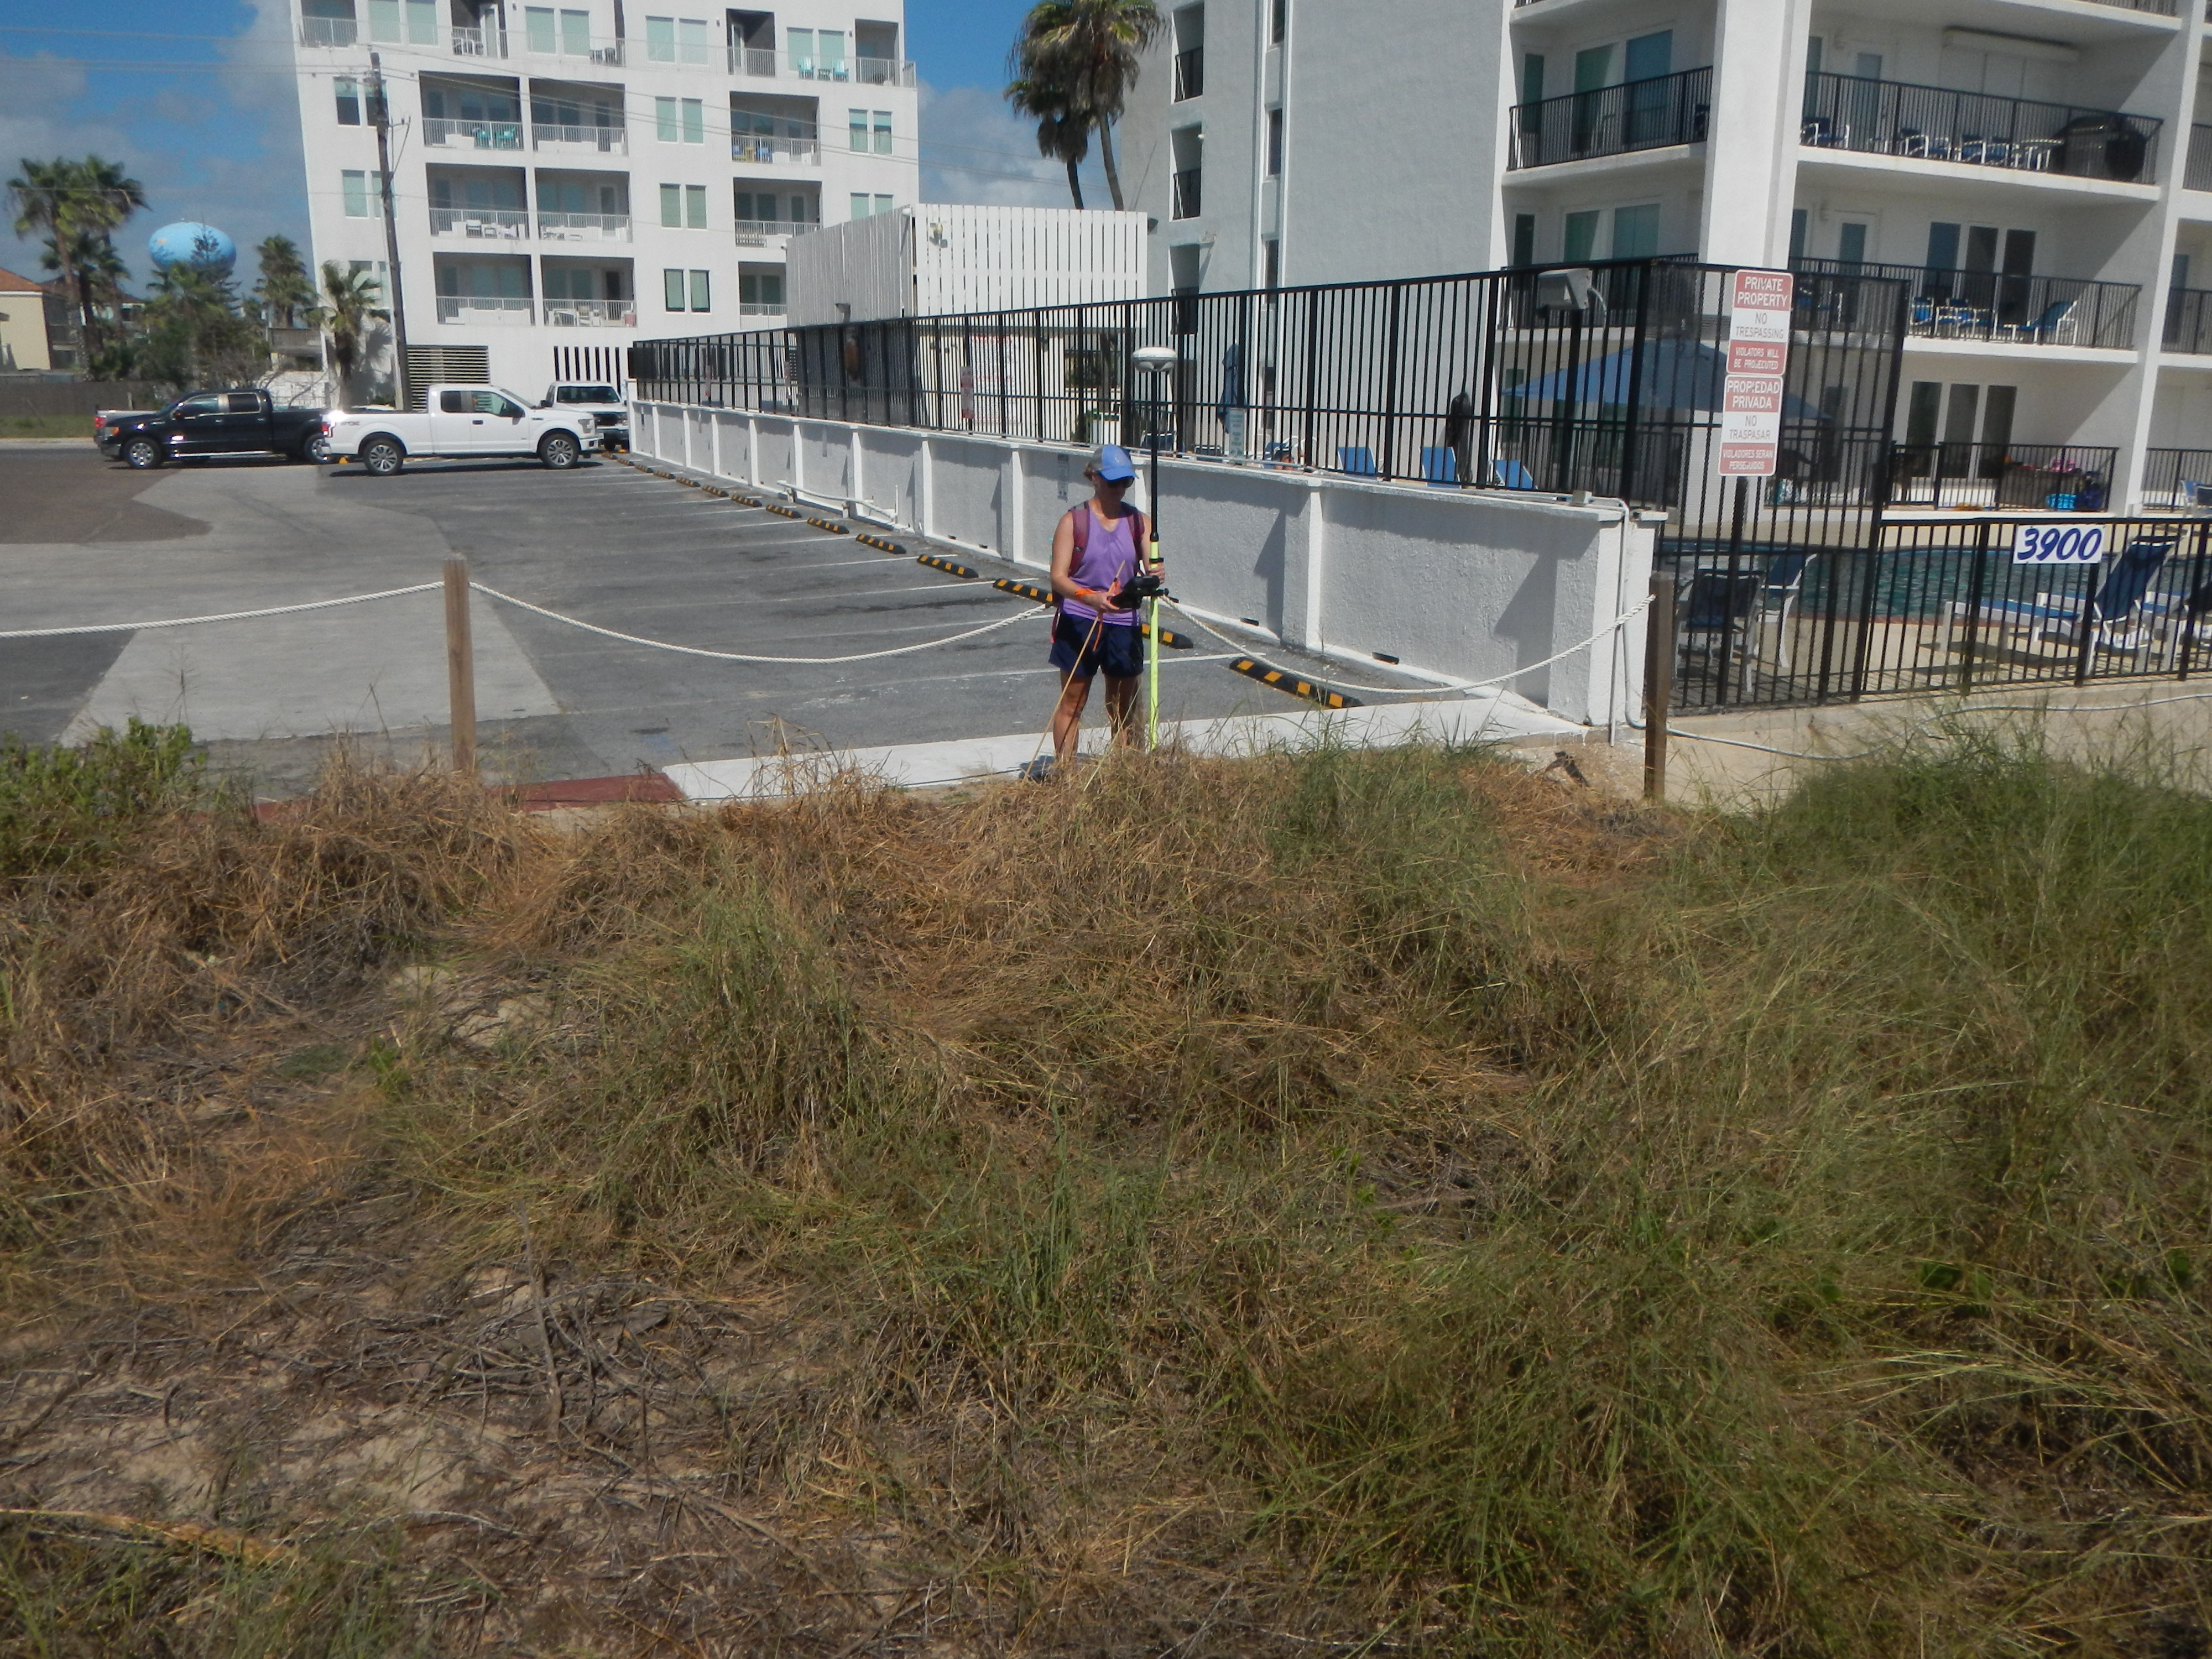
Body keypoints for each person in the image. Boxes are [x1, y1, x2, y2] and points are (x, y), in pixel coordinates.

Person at [1044, 442, 1160, 769]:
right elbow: (1058, 578)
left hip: (1123, 623)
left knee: (1123, 708)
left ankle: (1123, 775)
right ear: (1094, 477)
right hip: (1081, 620)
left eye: (1125, 482)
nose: (1119, 488)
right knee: (1073, 704)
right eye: (1112, 481)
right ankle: (1066, 776)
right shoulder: (1074, 521)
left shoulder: (1139, 522)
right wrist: (1089, 597)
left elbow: (1151, 565)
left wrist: (1155, 572)